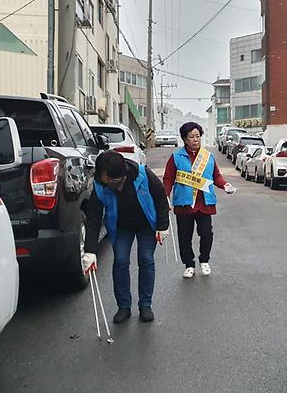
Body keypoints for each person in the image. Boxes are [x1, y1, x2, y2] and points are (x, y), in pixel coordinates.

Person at [83, 150, 170, 323]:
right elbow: (93, 218)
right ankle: (123, 306)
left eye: (110, 180)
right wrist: (90, 251)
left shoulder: (143, 175)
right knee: (121, 261)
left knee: (146, 259)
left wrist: (162, 226)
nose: (106, 183)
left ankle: (145, 305)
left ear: (122, 175)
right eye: (103, 179)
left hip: (146, 224)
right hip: (121, 226)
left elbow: (161, 197)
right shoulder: (101, 186)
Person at [163, 122, 236, 278]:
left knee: (206, 233)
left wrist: (225, 185)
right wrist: (165, 195)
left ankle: (204, 260)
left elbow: (216, 176)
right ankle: (189, 264)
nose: (195, 140)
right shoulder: (176, 156)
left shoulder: (208, 156)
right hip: (184, 202)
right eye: (191, 137)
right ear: (184, 139)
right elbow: (168, 178)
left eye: (198, 136)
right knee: (184, 235)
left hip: (204, 202)